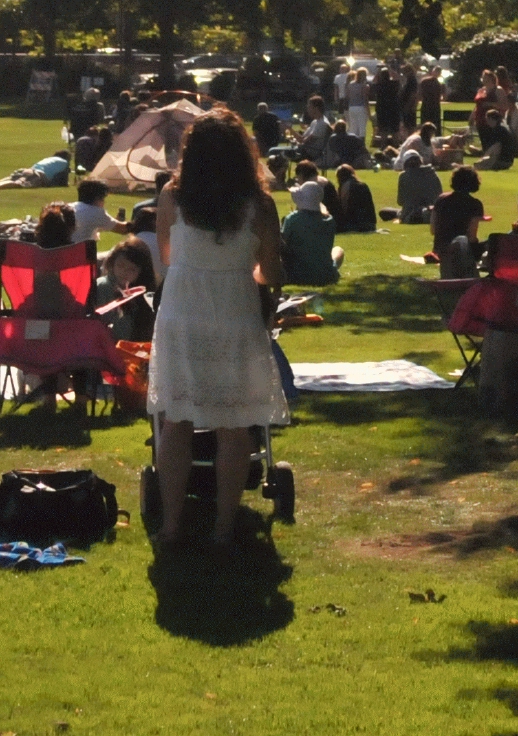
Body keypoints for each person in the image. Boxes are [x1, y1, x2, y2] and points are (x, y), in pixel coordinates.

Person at [149, 109, 290, 544]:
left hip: (183, 312)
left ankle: (172, 525)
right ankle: (223, 528)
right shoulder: (259, 206)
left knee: (177, 420)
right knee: (235, 424)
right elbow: (271, 271)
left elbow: (168, 258)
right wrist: (244, 270)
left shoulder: (173, 199)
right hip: (233, 313)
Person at [94, 237, 158, 342]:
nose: (124, 272)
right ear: (112, 263)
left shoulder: (143, 294)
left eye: (132, 269)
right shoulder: (103, 286)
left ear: (141, 272)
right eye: (120, 265)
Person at [281, 179, 344, 285]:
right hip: (326, 275)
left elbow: (282, 245)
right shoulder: (329, 221)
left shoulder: (292, 219)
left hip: (295, 275)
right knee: (338, 250)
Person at [430, 165, 486, 274]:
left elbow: (433, 229)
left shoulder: (441, 199)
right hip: (461, 249)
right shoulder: (475, 204)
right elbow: (472, 236)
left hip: (441, 249)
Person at [0, 149, 71, 189]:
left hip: (27, 170)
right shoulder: (65, 162)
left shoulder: (49, 158)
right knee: (19, 184)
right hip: (37, 175)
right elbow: (63, 180)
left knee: (6, 179)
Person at [69, 178, 130, 244]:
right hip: (81, 252)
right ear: (98, 198)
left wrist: (115, 221)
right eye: (103, 198)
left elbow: (88, 225)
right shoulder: (96, 212)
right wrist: (140, 220)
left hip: (64, 251)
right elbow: (123, 229)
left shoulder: (70, 206)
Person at [396, 150, 442, 224]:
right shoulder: (432, 173)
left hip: (412, 215)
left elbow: (400, 201)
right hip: (433, 213)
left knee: (386, 211)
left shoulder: (404, 176)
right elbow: (440, 196)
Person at [333, 163, 379, 233]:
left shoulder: (346, 187)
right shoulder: (362, 185)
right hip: (370, 224)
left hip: (356, 224)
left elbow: (344, 207)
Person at [298, 97, 332, 161]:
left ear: (316, 108)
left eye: (309, 107)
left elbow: (305, 141)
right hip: (305, 150)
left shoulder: (322, 123)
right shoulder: (315, 122)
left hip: (311, 154)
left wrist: (288, 129)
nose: (307, 109)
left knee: (278, 152)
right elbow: (302, 138)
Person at [345, 68, 372, 141]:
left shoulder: (350, 84)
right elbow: (365, 99)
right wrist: (369, 112)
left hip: (351, 107)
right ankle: (361, 145)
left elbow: (347, 96)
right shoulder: (364, 86)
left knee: (353, 128)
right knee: (362, 128)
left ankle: (353, 144)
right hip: (361, 107)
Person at [418, 67, 444, 133]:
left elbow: (419, 94)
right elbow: (442, 97)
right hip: (435, 107)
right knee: (436, 126)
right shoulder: (439, 84)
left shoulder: (424, 81)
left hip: (426, 106)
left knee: (424, 125)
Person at [398, 64, 421, 135]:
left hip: (409, 106)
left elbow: (413, 94)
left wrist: (408, 106)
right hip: (407, 105)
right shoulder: (409, 80)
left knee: (410, 126)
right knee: (407, 125)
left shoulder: (412, 80)